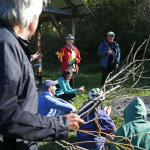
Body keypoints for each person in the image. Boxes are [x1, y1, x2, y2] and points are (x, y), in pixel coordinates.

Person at [0, 1, 84, 150]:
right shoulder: (5, 44)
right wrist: (60, 125)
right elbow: (5, 115)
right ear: (31, 17)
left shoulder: (11, 43)